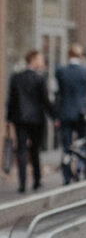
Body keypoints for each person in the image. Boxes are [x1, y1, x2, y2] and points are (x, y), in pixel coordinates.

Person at [5, 48, 55, 193]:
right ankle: (36, 180)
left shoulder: (16, 77)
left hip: (20, 119)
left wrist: (9, 119)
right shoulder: (39, 79)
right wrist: (54, 117)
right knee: (34, 150)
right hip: (36, 120)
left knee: (21, 150)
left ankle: (22, 184)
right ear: (32, 60)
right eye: (39, 59)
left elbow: (11, 100)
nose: (42, 62)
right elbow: (45, 101)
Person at [54, 43, 86, 185]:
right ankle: (79, 169)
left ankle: (67, 176)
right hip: (81, 113)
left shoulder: (61, 71)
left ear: (69, 55)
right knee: (82, 143)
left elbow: (59, 94)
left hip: (66, 113)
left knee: (66, 146)